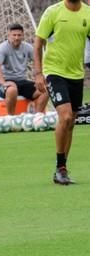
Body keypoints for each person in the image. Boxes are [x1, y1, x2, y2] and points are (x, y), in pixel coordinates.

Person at [34, 0, 90, 185]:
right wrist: (38, 72)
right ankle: (60, 168)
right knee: (65, 117)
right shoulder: (53, 12)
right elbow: (38, 41)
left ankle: (62, 169)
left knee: (71, 121)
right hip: (54, 72)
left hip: (76, 74)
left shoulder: (87, 13)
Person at [0, 23, 49, 115]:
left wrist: (40, 76)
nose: (16, 38)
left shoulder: (27, 47)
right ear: (8, 35)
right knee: (12, 90)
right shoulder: (3, 48)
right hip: (5, 82)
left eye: (19, 35)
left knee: (45, 89)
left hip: (21, 82)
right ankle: (11, 119)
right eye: (14, 35)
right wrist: (3, 82)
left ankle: (36, 118)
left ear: (23, 36)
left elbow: (38, 61)